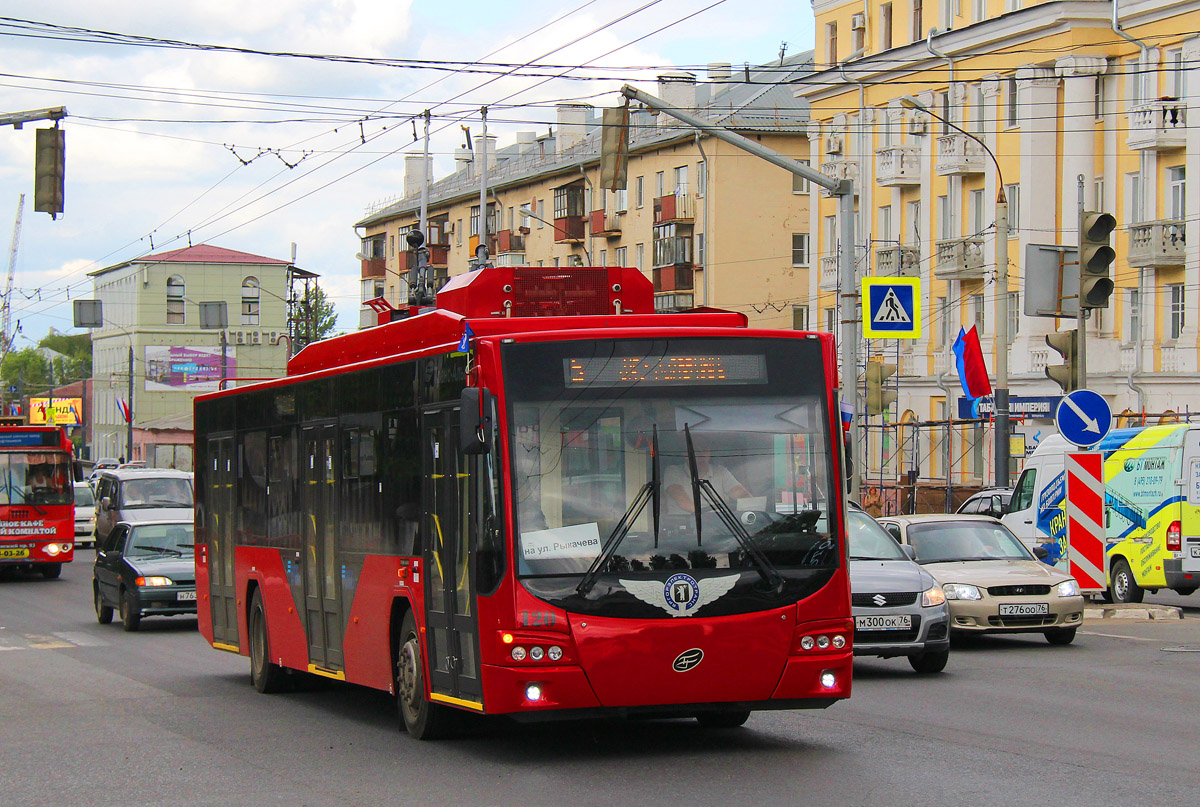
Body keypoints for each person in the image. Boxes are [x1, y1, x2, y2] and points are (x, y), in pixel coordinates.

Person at [664, 437, 751, 514]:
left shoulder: (721, 472)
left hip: (719, 526)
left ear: (710, 453)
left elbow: (741, 494)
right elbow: (682, 500)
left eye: (705, 450)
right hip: (685, 527)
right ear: (685, 454)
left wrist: (753, 508)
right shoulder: (673, 471)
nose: (701, 455)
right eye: (696, 450)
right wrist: (708, 516)